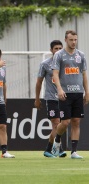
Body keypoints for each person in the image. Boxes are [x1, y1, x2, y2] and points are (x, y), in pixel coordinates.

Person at [51, 30, 89, 159]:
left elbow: (84, 74)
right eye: (71, 40)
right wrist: (60, 89)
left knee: (76, 121)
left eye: (75, 40)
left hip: (78, 93)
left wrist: (87, 92)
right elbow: (55, 74)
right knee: (65, 122)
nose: (74, 42)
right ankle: (57, 140)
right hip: (65, 93)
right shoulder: (59, 55)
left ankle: (73, 152)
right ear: (66, 40)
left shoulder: (81, 55)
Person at [34, 40, 66, 158]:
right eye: (55, 48)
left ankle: (49, 149)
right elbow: (39, 82)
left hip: (64, 98)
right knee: (56, 124)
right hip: (51, 98)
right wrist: (37, 99)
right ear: (51, 50)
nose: (58, 51)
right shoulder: (45, 64)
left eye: (60, 48)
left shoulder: (66, 63)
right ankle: (59, 149)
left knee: (63, 124)